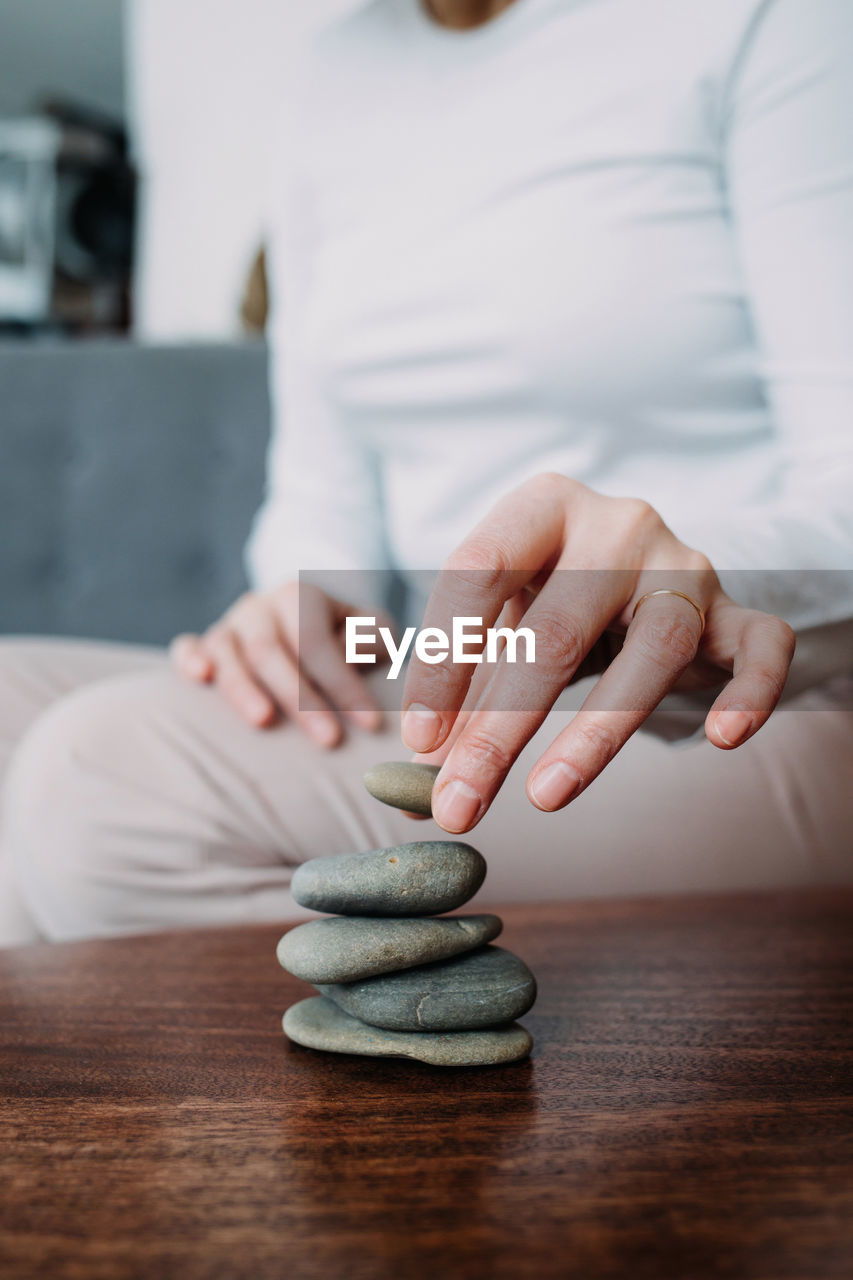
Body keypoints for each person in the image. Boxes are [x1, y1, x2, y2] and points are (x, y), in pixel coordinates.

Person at [2, 0, 852, 947]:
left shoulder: (766, 20)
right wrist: (303, 602)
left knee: (105, 777)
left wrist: (689, 577)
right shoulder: (338, 72)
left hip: (753, 707)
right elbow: (323, 489)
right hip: (444, 669)